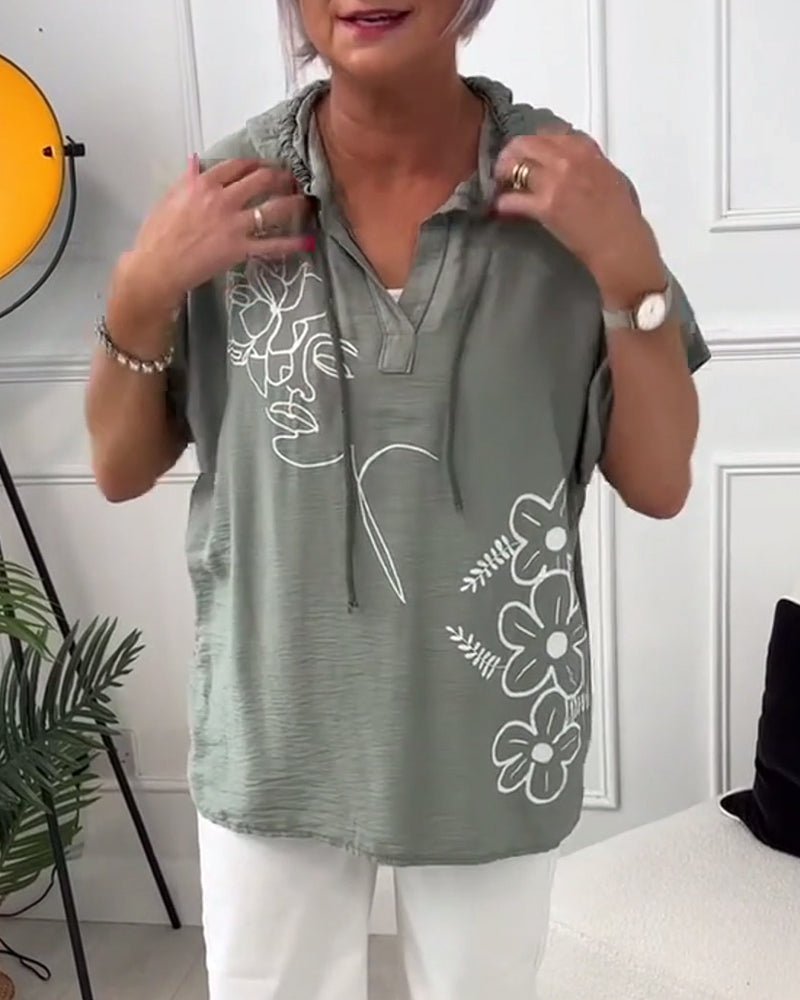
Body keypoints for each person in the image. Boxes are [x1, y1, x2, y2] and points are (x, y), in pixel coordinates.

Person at [85, 1, 709, 997]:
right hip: (277, 724)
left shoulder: (566, 190)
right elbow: (120, 468)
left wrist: (627, 268)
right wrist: (142, 289)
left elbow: (660, 480)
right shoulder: (231, 194)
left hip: (493, 734)